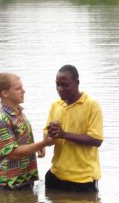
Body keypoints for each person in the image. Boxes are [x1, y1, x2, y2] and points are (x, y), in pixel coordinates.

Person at [44, 65, 104, 193]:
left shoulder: (91, 105)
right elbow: (48, 139)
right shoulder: (56, 105)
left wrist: (63, 134)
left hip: (83, 179)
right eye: (57, 85)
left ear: (77, 83)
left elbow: (96, 140)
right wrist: (50, 135)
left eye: (65, 85)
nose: (60, 89)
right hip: (56, 174)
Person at [0, 72, 53, 189]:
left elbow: (21, 141)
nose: (23, 91)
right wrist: (43, 143)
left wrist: (37, 146)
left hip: (23, 181)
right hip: (9, 185)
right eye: (18, 88)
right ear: (5, 93)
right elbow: (12, 153)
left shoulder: (18, 112)